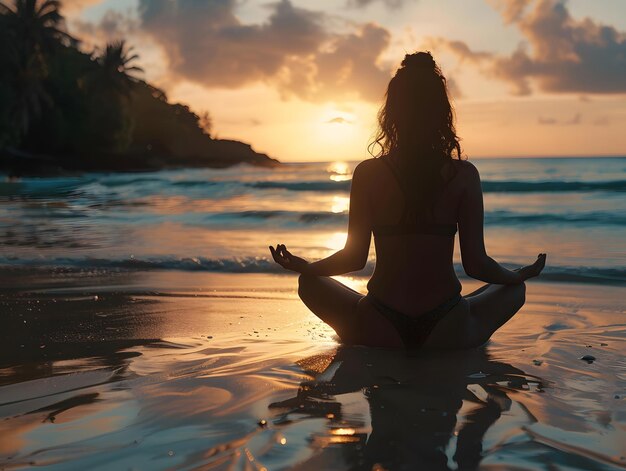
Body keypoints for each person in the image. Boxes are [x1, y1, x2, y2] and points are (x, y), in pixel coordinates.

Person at [269, 51, 546, 352]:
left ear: (392, 112)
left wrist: (305, 267)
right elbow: (476, 264)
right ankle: (461, 325)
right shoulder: (464, 175)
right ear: (441, 112)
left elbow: (353, 258)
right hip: (447, 328)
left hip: (378, 325)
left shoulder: (368, 173)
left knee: (308, 283)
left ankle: (365, 331)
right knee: (514, 290)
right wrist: (515, 275)